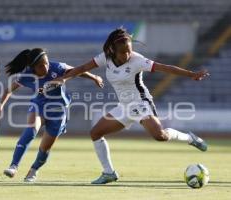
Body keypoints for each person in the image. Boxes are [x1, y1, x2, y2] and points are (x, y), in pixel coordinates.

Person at [54, 28, 210, 184]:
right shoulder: (105, 58)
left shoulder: (138, 60)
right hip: (124, 107)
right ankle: (109, 173)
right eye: (123, 52)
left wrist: (191, 74)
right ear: (113, 50)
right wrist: (63, 79)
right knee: (95, 133)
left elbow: (165, 68)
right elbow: (82, 68)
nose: (127, 55)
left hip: (141, 104)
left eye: (129, 51)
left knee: (160, 136)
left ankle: (190, 138)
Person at [0, 48, 103, 182]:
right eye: (40, 66)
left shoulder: (57, 67)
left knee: (44, 150)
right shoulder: (28, 76)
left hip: (59, 111)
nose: (45, 67)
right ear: (33, 68)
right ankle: (13, 166)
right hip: (39, 106)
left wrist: (94, 77)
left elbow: (77, 71)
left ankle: (33, 170)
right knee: (31, 130)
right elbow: (8, 90)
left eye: (46, 63)